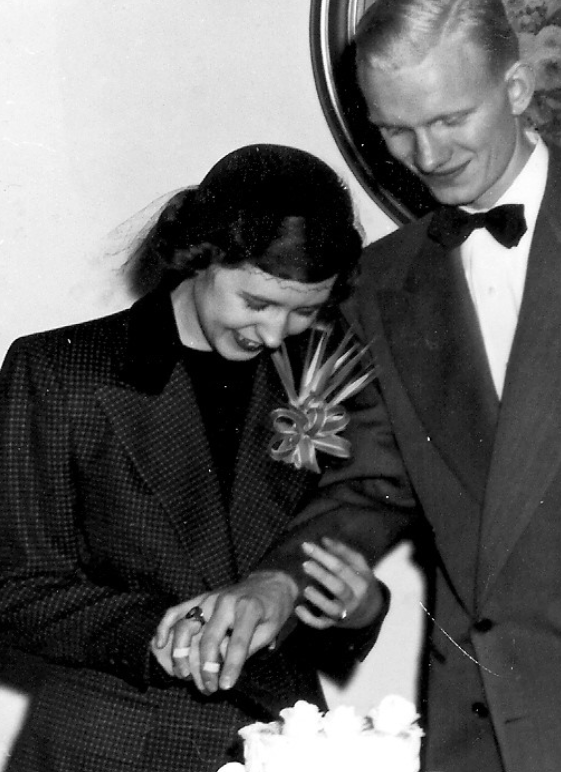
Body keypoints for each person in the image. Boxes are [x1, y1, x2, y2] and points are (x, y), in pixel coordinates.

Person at [159, 0, 561, 772]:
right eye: (397, 130)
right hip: (482, 724)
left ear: (516, 87)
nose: (429, 156)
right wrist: (273, 585)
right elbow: (369, 485)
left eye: (450, 118)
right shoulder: (381, 281)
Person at [0, 144, 388, 772]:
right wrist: (160, 633)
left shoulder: (323, 380)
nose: (273, 334)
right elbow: (14, 588)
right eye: (256, 303)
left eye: (304, 312)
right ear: (198, 258)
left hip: (282, 742)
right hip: (107, 747)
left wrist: (360, 608)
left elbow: (323, 546)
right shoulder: (59, 371)